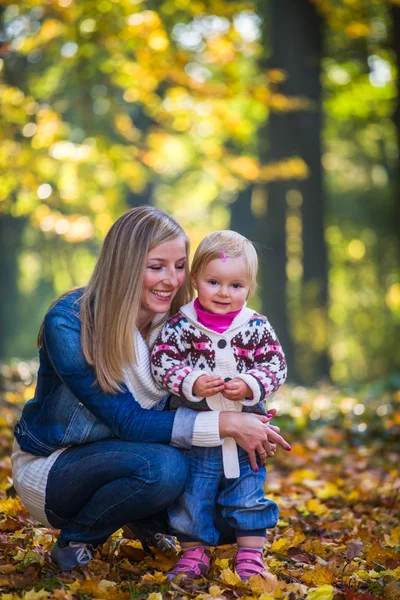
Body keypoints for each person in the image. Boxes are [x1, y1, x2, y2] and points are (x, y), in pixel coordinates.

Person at [11, 207, 290, 572]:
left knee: (225, 517)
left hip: (135, 455)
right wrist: (226, 425)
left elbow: (233, 373)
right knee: (165, 469)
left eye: (178, 266)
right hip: (58, 468)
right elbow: (128, 421)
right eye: (156, 266)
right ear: (124, 265)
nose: (171, 280)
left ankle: (140, 518)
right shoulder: (71, 323)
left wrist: (251, 422)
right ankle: (77, 539)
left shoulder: (179, 324)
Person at [150, 230, 288, 581]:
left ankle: (251, 556)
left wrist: (251, 384)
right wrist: (190, 381)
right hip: (197, 436)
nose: (224, 293)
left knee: (248, 494)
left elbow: (276, 365)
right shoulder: (181, 325)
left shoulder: (255, 326)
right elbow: (163, 361)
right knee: (192, 498)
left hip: (246, 438)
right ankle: (194, 553)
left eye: (236, 286)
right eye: (214, 282)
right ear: (195, 279)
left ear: (249, 287)